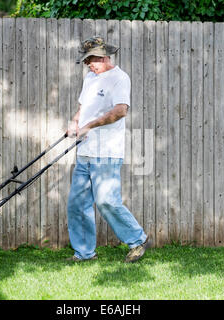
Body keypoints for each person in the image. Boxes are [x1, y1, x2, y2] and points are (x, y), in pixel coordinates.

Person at [65, 36, 149, 263]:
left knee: (106, 200)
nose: (88, 64)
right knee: (77, 203)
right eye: (86, 61)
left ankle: (137, 240)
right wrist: (75, 122)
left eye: (90, 60)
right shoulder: (91, 78)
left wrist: (89, 126)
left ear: (103, 56)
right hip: (85, 151)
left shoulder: (119, 78)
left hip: (107, 151)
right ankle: (84, 253)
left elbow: (121, 111)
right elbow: (83, 108)